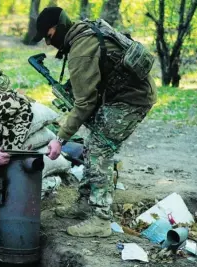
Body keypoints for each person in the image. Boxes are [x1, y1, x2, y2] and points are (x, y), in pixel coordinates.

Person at [32, 6, 157, 237]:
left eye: (48, 37)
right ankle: (85, 203)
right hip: (121, 96)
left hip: (131, 100)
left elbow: (84, 103)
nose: (49, 44)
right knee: (91, 145)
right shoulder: (83, 31)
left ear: (58, 29)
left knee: (100, 150)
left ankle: (100, 218)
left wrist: (60, 138)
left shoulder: (80, 49)